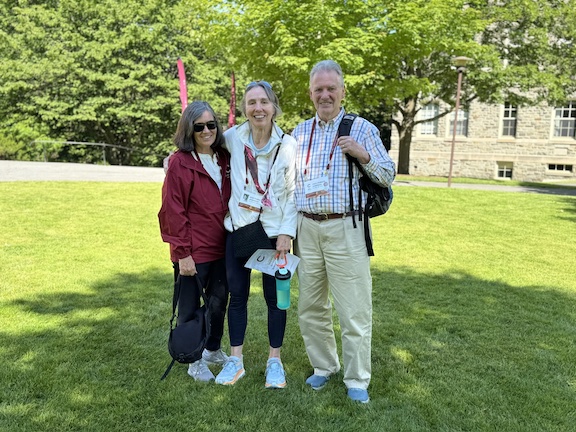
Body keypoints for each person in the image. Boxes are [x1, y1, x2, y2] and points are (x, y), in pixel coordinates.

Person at [292, 60, 396, 403]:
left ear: (342, 91)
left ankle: (356, 380)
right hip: (305, 228)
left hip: (346, 226)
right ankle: (324, 367)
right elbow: (288, 182)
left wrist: (363, 155)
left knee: (353, 309)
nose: (325, 95)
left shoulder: (361, 128)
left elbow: (387, 175)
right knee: (310, 306)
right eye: (318, 89)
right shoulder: (299, 132)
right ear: (310, 93)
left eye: (330, 88)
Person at [214, 81, 297, 389]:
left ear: (273, 106)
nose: (258, 108)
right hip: (240, 229)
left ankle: (274, 361)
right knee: (238, 296)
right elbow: (201, 142)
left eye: (264, 101)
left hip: (275, 234)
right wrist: (175, 158)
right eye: (251, 102)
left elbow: (292, 193)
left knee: (276, 301)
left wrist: (287, 233)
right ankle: (236, 360)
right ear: (244, 108)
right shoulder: (233, 138)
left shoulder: (288, 145)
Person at [158, 101, 232, 382]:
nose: (205, 131)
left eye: (211, 125)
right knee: (189, 306)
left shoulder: (223, 157)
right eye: (198, 126)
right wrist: (182, 253)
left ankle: (212, 349)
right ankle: (193, 359)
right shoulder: (179, 163)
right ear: (189, 129)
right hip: (194, 250)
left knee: (218, 302)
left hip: (222, 246)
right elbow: (172, 211)